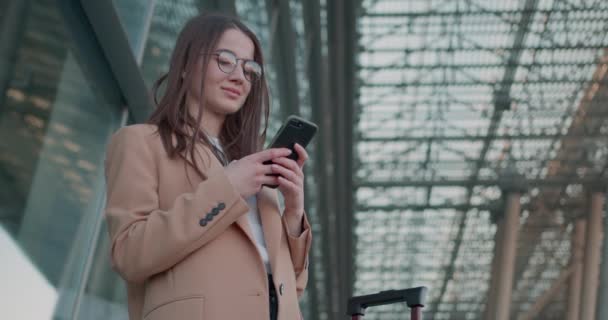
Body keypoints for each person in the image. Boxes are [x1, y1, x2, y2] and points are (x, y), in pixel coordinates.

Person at [104, 13, 311, 320]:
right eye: (225, 60)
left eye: (249, 69)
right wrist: (227, 189)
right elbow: (129, 254)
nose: (240, 77)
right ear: (186, 65)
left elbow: (291, 287)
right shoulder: (140, 143)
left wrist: (293, 214)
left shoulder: (252, 166)